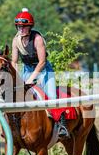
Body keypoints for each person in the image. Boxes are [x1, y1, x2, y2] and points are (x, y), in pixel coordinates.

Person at [11, 8, 70, 139]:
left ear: (30, 26)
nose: (21, 29)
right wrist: (14, 78)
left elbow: (42, 62)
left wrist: (31, 78)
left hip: (44, 71)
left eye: (24, 26)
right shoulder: (15, 41)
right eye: (19, 26)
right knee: (18, 96)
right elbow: (14, 61)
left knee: (51, 97)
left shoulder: (37, 39)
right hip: (26, 69)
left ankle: (62, 126)